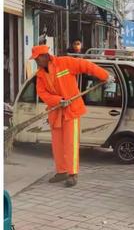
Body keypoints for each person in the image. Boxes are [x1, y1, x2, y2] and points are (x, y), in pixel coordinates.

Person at [31, 44, 112, 187]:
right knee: (57, 144)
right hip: (56, 111)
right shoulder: (40, 74)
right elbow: (41, 93)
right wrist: (57, 100)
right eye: (35, 60)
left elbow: (86, 66)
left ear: (45, 56)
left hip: (71, 110)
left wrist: (104, 75)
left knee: (70, 143)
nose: (36, 62)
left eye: (37, 59)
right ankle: (62, 171)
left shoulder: (64, 62)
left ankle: (72, 173)